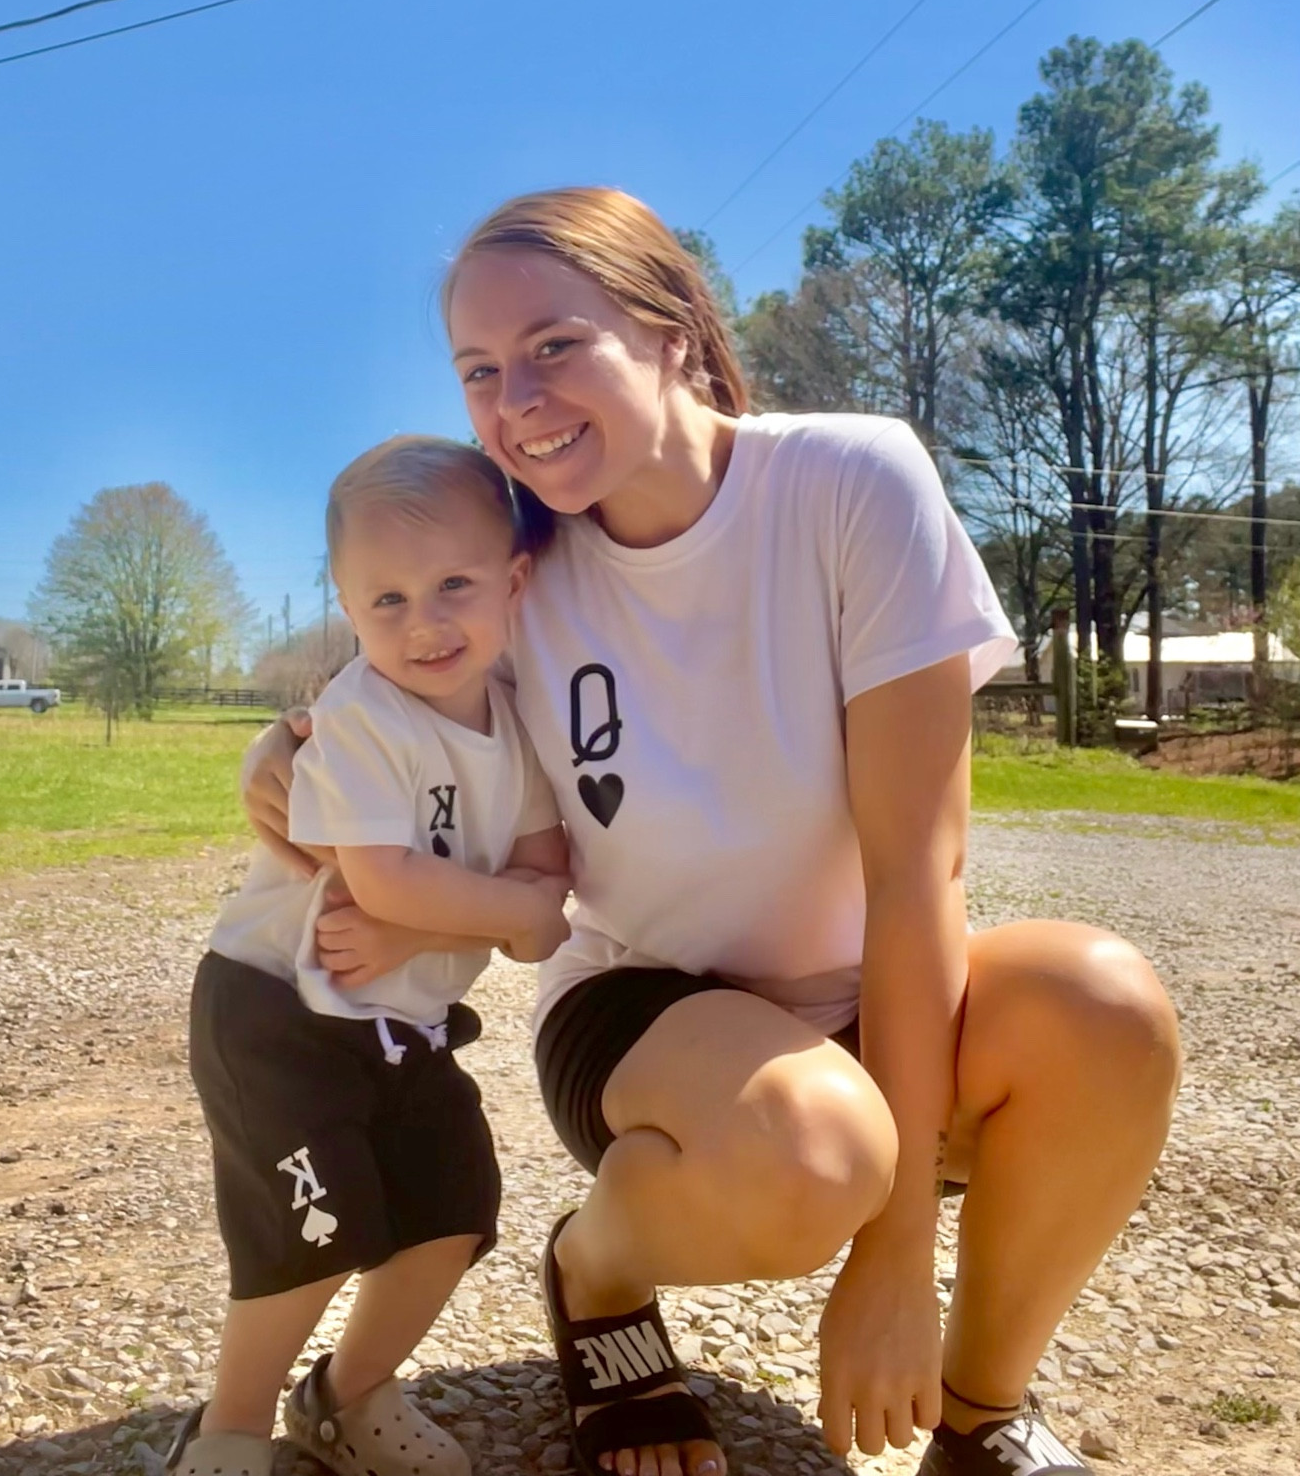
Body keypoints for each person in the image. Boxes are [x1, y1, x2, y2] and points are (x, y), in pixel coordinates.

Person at [240, 188, 1182, 1476]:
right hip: (643, 1009)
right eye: (479, 370)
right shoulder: (519, 561)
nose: (516, 397)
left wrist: (901, 1247)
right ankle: (598, 1270)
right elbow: (392, 670)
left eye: (553, 346)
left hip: (863, 995)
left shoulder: (853, 481)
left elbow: (920, 871)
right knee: (815, 1150)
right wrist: (285, 748)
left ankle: (981, 1416)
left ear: (673, 330)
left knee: (1103, 1001)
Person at [173, 436, 570, 1476]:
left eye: (453, 585)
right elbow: (393, 885)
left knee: (453, 1210)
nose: (425, 621)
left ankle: (344, 1397)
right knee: (314, 1229)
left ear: (513, 582)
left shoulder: (517, 724)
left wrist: (481, 917)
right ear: (348, 610)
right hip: (277, 1011)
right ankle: (228, 1427)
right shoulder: (359, 716)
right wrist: (504, 918)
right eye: (385, 599)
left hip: (402, 1022)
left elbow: (546, 865)